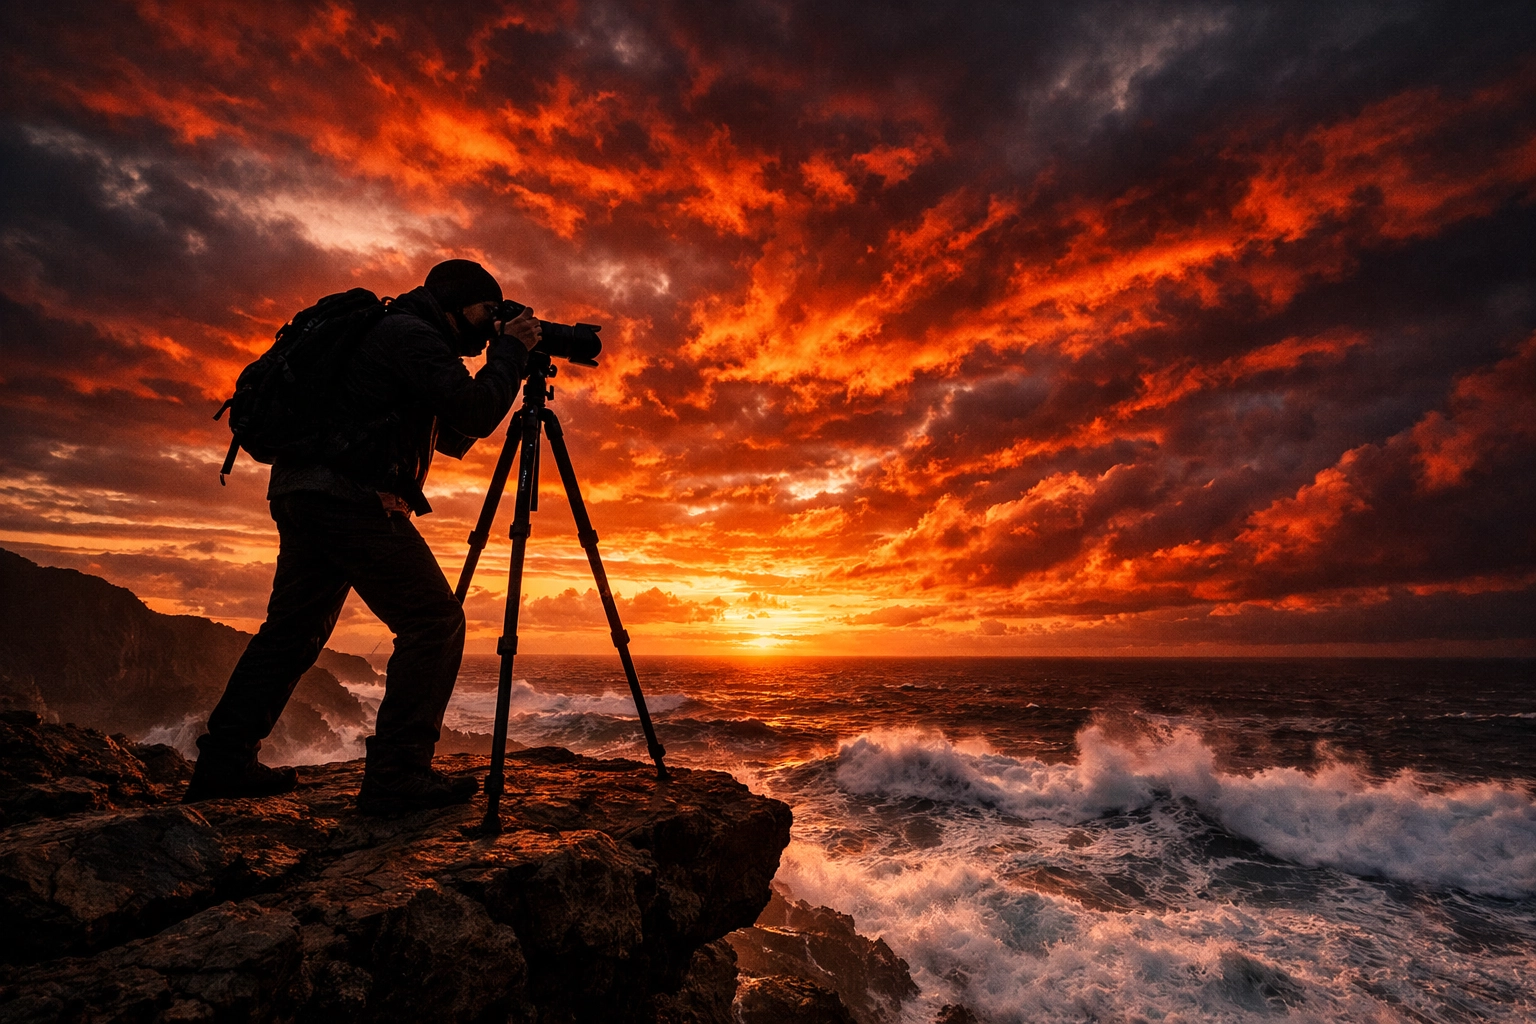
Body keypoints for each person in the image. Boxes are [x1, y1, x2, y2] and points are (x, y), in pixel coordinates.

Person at [185, 259, 541, 813]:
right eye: (488, 311)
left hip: (304, 491)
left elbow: (449, 435)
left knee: (292, 631)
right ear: (456, 302)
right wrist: (511, 355)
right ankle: (397, 776)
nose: (491, 323)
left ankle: (223, 763)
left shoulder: (397, 331)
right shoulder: (411, 335)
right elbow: (475, 412)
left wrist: (502, 364)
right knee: (433, 622)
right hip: (348, 497)